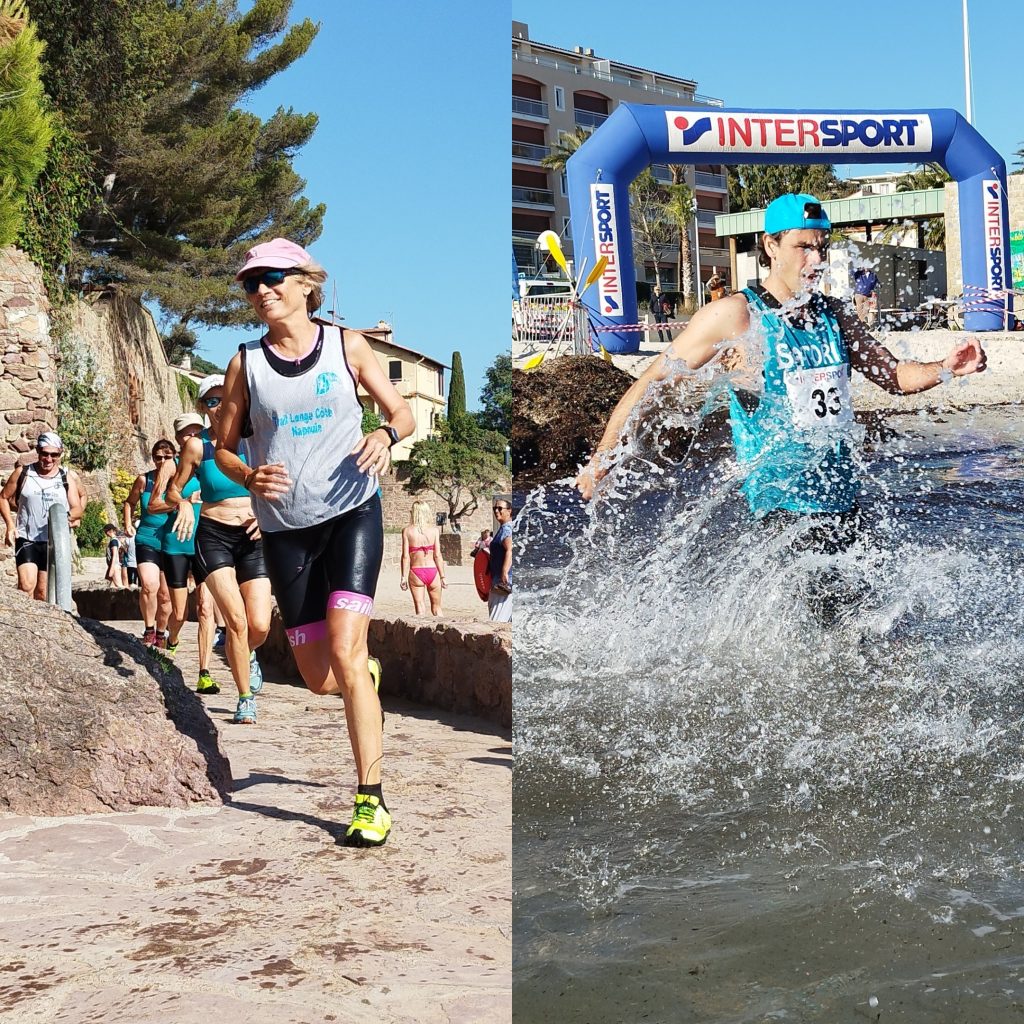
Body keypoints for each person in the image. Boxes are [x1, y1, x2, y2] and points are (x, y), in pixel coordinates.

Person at [576, 194, 986, 616]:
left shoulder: (833, 314)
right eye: (803, 247)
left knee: (871, 630)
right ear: (771, 246)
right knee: (839, 632)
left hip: (843, 502)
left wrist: (947, 367)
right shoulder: (738, 316)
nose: (816, 259)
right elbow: (649, 383)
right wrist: (601, 460)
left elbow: (894, 375)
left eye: (822, 247)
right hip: (783, 510)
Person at [215, 237, 415, 847]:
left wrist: (385, 435)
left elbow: (402, 414)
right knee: (317, 677)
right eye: (252, 283)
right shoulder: (244, 363)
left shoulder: (346, 345)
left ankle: (370, 800)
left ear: (307, 282)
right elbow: (223, 446)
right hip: (283, 533)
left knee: (349, 653)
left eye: (274, 276)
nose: (263, 290)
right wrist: (248, 475)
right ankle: (364, 677)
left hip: (352, 516)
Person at [165, 379, 272, 718]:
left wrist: (268, 516)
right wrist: (182, 504)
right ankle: (245, 699)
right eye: (210, 401)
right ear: (202, 407)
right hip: (213, 538)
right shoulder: (198, 447)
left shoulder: (257, 441)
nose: (217, 405)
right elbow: (172, 490)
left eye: (223, 398)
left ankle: (247, 654)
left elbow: (281, 484)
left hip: (253, 537)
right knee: (237, 621)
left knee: (260, 625)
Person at [148, 413, 221, 695]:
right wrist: (181, 505)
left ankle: (204, 672)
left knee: (206, 607)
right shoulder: (171, 466)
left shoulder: (212, 462)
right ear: (178, 439)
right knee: (179, 612)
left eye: (196, 432)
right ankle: (172, 641)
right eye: (186, 434)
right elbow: (154, 505)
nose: (192, 438)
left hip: (207, 541)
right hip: (176, 543)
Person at [0, 432, 84, 601]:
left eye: (54, 455)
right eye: (44, 453)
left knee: (43, 592)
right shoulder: (22, 473)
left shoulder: (65, 477)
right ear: (38, 451)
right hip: (27, 537)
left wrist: (63, 520)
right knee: (26, 586)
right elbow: (3, 497)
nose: (48, 459)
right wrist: (10, 524)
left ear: (60, 454)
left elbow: (77, 508)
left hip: (53, 542)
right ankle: (21, 624)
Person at [123, 440, 176, 647]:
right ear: (153, 458)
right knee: (149, 585)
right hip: (146, 538)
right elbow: (130, 502)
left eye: (167, 457)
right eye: (158, 457)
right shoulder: (144, 480)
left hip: (171, 541)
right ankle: (149, 629)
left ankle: (161, 633)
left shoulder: (180, 482)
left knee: (165, 596)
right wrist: (128, 523)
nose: (162, 461)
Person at [400, 500, 447, 615]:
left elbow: (405, 557)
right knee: (437, 608)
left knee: (420, 608)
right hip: (433, 571)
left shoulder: (407, 531)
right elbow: (437, 555)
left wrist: (403, 577)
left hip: (416, 571)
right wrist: (442, 576)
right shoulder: (434, 531)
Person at [488, 499, 513, 623]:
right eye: (494, 508)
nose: (496, 511)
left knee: (496, 623)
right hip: (500, 582)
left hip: (503, 584)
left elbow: (510, 550)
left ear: (509, 511)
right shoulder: (503, 528)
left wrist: (504, 572)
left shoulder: (507, 529)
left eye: (500, 508)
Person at [103, 524, 124, 588]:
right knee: (112, 586)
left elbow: (115, 555)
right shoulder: (116, 540)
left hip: (115, 566)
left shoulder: (114, 541)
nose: (105, 533)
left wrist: (111, 568)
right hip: (115, 565)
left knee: (119, 586)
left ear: (109, 531)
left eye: (105, 531)